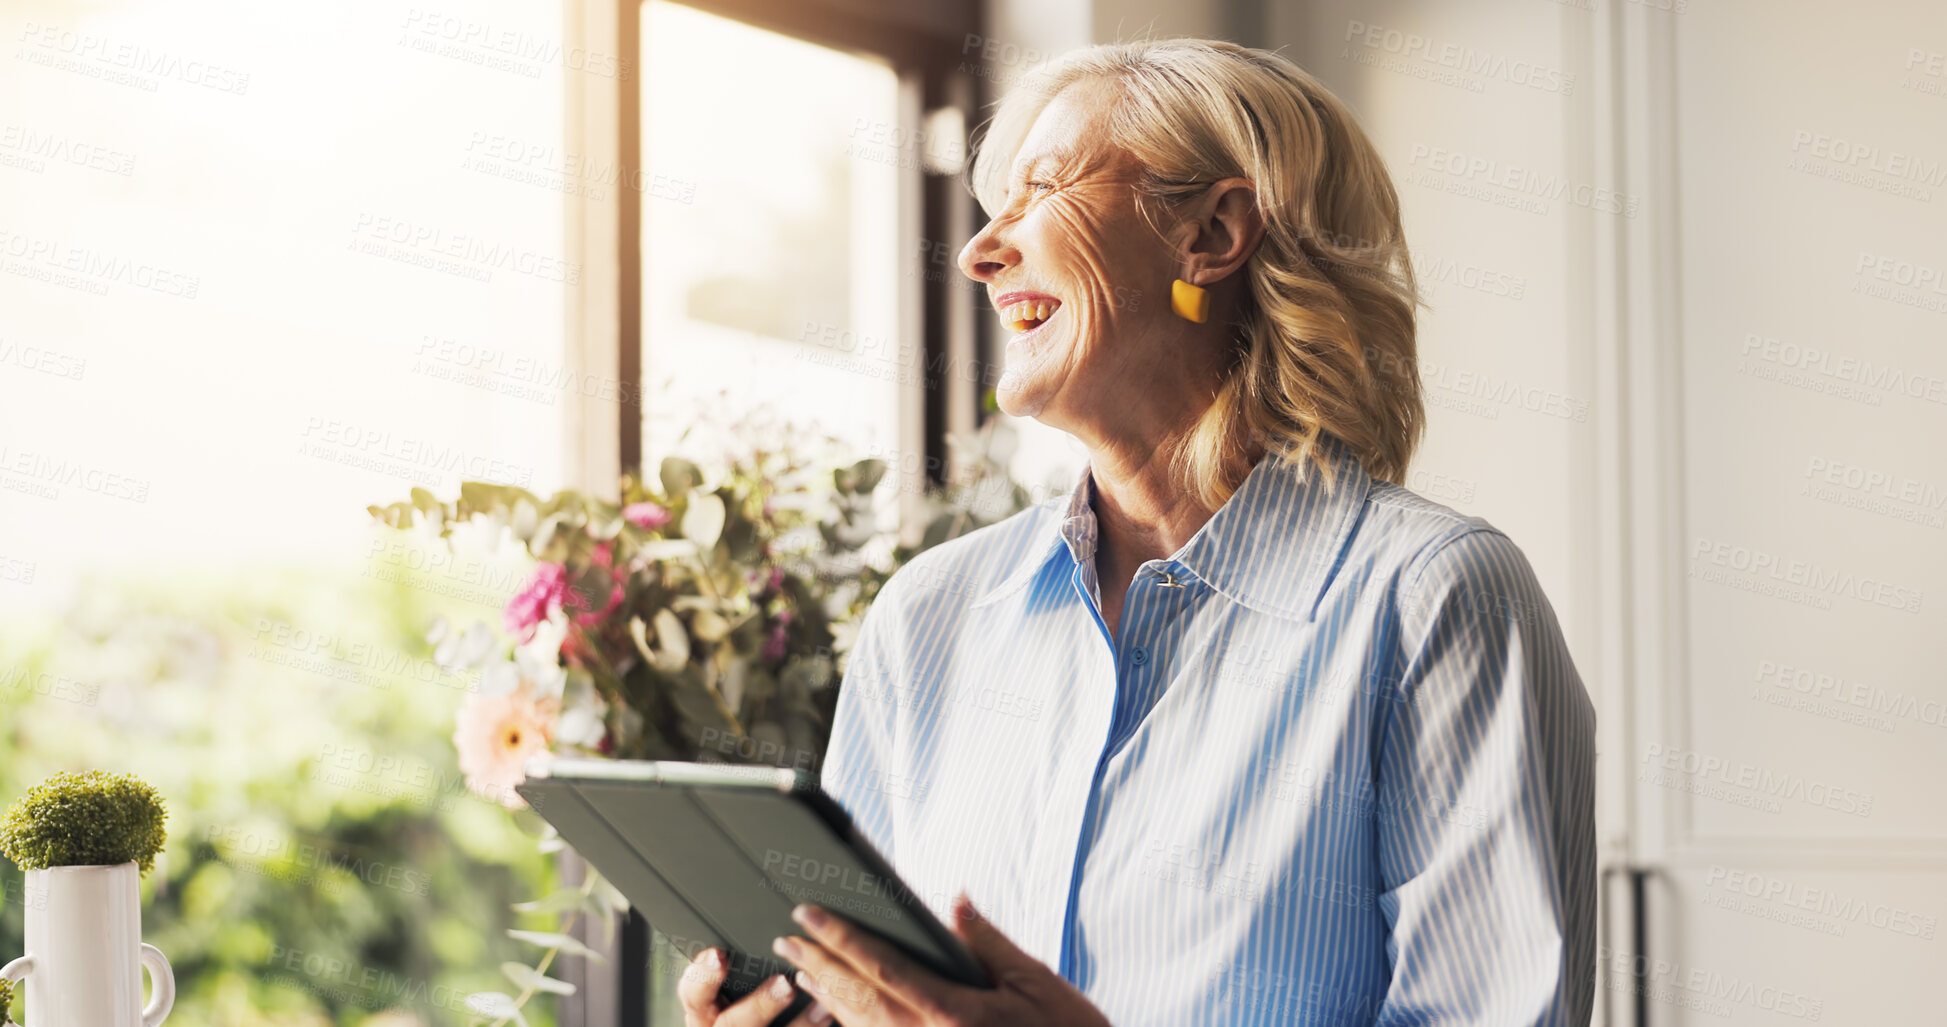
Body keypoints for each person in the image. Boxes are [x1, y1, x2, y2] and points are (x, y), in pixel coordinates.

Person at [681, 37, 1596, 1027]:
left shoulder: (1436, 602)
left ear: (1212, 230)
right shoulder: (927, 618)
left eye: (1043, 189)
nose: (983, 252)